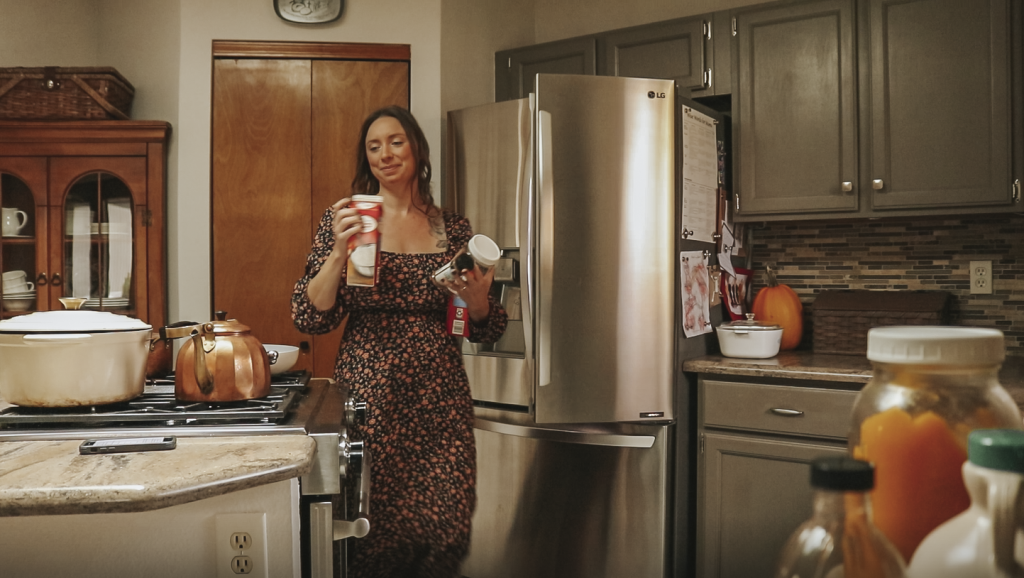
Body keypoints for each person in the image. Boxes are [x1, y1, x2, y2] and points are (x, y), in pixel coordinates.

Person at [291, 105, 507, 578]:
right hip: (372, 398)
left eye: (395, 141)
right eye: (373, 146)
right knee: (374, 532)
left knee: (444, 527)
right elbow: (308, 315)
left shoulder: (451, 229)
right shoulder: (347, 219)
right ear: (366, 159)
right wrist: (337, 255)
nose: (385, 154)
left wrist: (477, 302)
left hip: (440, 402)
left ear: (416, 149)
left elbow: (487, 329)